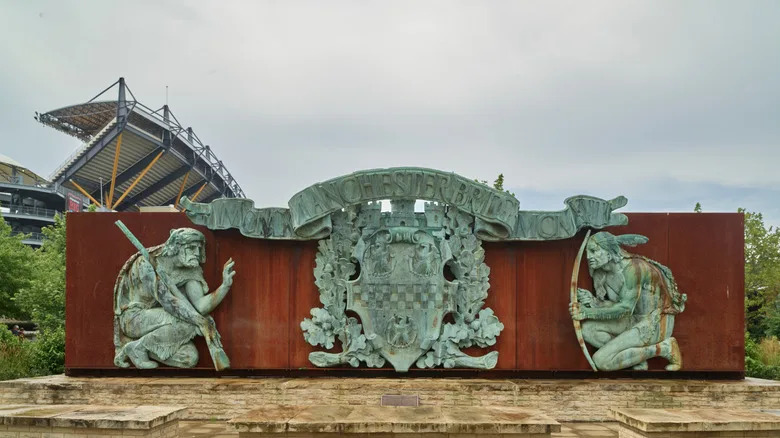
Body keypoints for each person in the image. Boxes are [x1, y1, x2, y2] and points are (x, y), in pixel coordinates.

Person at [570, 231, 686, 371]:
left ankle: (663, 348)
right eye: (588, 252)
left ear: (609, 251)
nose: (589, 257)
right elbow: (618, 306)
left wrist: (587, 312)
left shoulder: (634, 268)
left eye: (594, 251)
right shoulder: (605, 274)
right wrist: (594, 302)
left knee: (601, 361)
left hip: (655, 322)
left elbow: (625, 308)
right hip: (632, 319)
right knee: (587, 330)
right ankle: (634, 360)